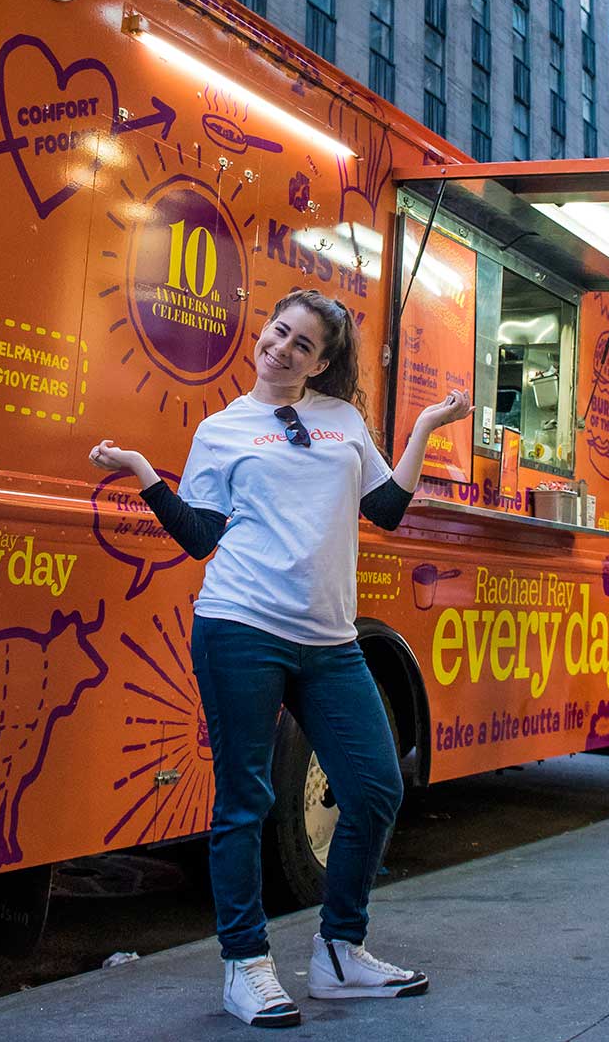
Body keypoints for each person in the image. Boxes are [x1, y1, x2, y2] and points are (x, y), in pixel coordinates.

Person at [88, 288, 471, 1028]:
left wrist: (423, 425)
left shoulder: (343, 421)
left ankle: (338, 954)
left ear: (322, 362)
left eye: (303, 344)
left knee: (376, 786)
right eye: (279, 332)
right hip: (240, 627)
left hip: (330, 640)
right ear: (263, 334)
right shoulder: (223, 429)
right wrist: (142, 470)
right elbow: (202, 535)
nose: (283, 348)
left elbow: (385, 508)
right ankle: (245, 963)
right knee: (245, 799)